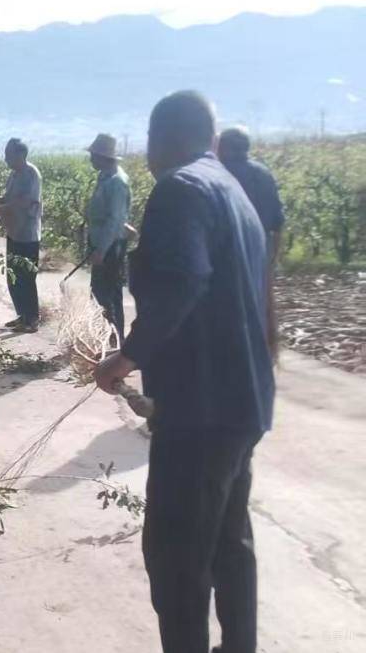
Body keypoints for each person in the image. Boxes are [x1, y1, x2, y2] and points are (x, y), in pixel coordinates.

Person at [95, 91, 275, 653]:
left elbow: (183, 283)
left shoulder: (180, 189)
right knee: (228, 541)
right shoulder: (231, 188)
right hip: (241, 404)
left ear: (159, 140)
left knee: (175, 560)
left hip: (201, 411)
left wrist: (127, 357)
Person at [0, 138, 42, 332]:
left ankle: (32, 319)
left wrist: (0, 209)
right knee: (14, 277)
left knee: (26, 278)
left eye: (8, 155)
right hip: (14, 232)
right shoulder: (14, 175)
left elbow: (25, 201)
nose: (6, 159)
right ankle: (22, 316)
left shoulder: (31, 174)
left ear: (21, 155)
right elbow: (8, 198)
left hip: (27, 235)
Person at [85, 133, 132, 342]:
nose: (91, 159)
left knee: (108, 295)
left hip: (110, 246)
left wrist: (101, 251)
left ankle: (114, 341)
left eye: (93, 155)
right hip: (101, 242)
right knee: (99, 293)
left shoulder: (117, 182)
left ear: (103, 157)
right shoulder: (105, 176)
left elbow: (114, 220)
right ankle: (104, 338)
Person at [216, 126, 285, 262]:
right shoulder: (263, 173)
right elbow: (277, 220)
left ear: (222, 148)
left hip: (227, 251)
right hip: (261, 245)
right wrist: (274, 257)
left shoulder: (217, 173)